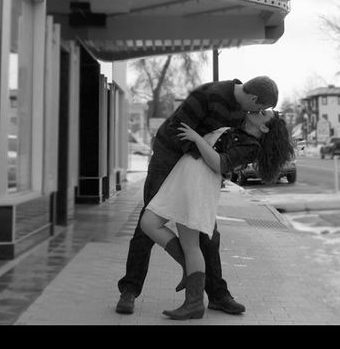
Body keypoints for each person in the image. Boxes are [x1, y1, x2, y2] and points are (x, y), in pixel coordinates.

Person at [116, 75, 280, 316]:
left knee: (206, 232)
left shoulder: (243, 112)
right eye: (261, 107)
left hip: (195, 167)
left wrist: (211, 163)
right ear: (253, 98)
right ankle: (130, 290)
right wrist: (205, 157)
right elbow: (176, 130)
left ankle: (216, 294)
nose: (259, 111)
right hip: (169, 156)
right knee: (148, 222)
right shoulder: (208, 95)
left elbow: (230, 150)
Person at [140, 108, 294, 319]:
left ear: (264, 126)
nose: (258, 111)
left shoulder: (252, 146)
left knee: (191, 245)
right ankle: (189, 268)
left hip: (199, 181)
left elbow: (219, 163)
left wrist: (196, 138)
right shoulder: (236, 124)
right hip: (184, 174)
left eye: (263, 113)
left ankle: (194, 303)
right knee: (148, 223)